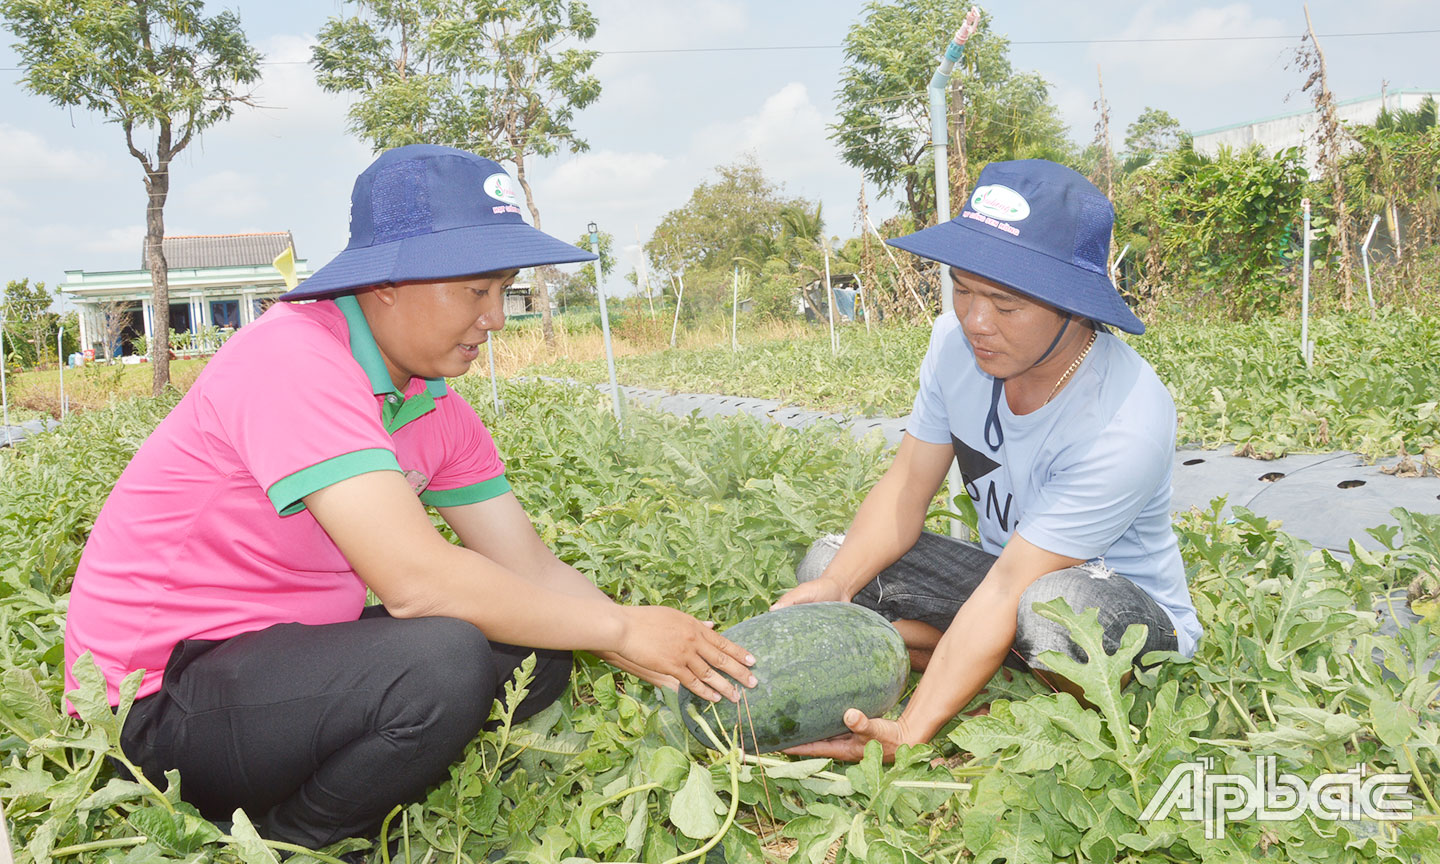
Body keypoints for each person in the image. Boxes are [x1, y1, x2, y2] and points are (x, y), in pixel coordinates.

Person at [63, 144, 756, 849]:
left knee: (538, 648)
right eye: (477, 291)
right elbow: (416, 584)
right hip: (149, 708)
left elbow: (534, 571)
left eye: (504, 290)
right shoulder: (293, 358)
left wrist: (685, 661)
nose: (497, 319)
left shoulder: (433, 406)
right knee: (442, 659)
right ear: (388, 283)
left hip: (271, 669)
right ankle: (293, 842)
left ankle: (320, 793)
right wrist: (624, 631)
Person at [773, 159, 1202, 761]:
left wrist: (912, 729)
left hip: (1112, 608)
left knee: (1055, 615)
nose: (976, 322)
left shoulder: (1124, 419)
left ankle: (979, 665)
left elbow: (1008, 589)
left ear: (1073, 308)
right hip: (1007, 579)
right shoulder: (953, 345)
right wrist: (837, 583)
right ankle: (986, 660)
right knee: (831, 559)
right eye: (963, 289)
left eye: (1005, 304)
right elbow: (905, 487)